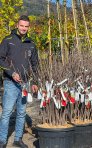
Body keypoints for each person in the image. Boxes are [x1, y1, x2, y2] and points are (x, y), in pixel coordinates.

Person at [0, 15, 38, 148]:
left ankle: (18, 139)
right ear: (17, 25)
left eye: (26, 26)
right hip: (10, 82)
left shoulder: (31, 43)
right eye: (21, 25)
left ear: (29, 27)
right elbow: (1, 59)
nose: (23, 28)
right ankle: (2, 140)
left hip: (25, 84)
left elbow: (35, 64)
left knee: (21, 112)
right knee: (7, 112)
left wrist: (35, 82)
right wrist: (12, 73)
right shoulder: (8, 40)